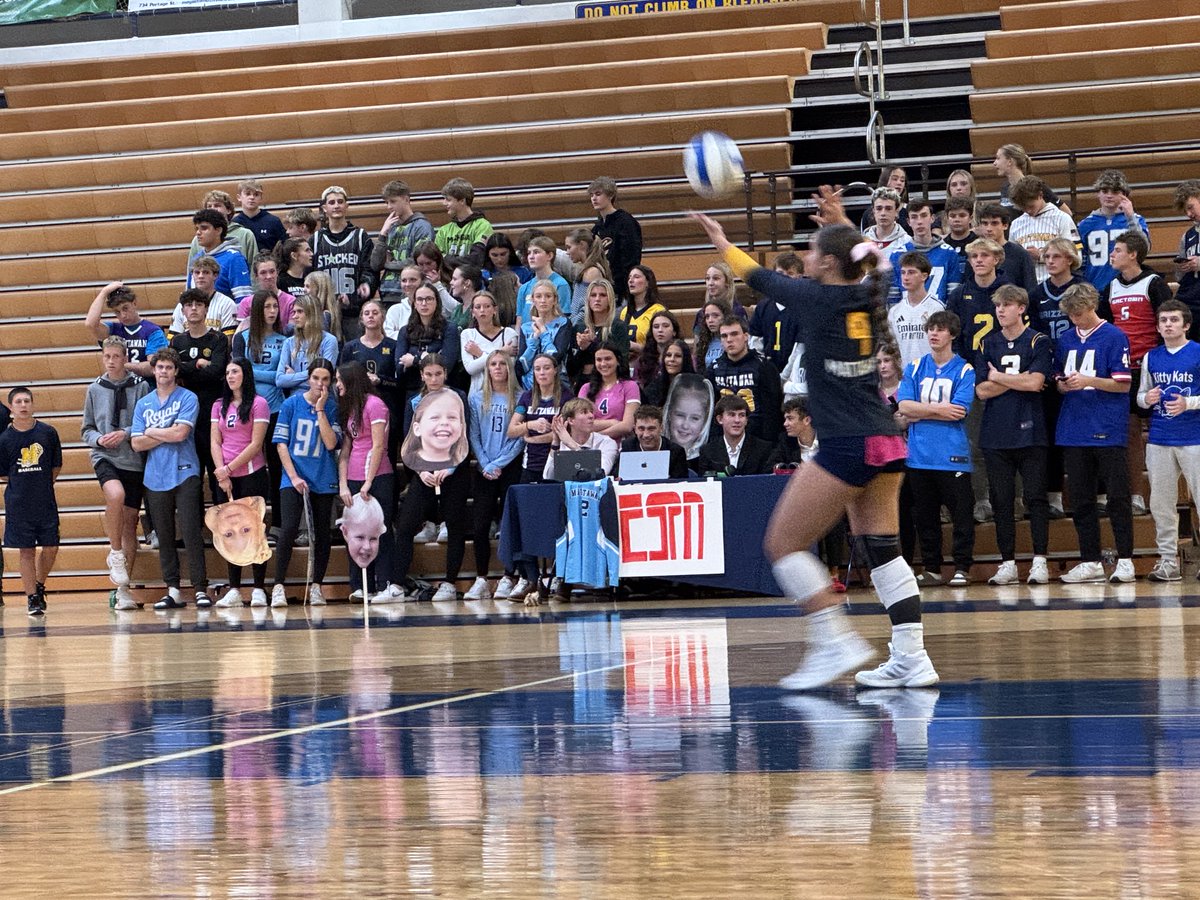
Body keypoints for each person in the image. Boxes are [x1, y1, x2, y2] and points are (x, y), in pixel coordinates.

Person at [693, 190, 938, 691]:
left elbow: (758, 277)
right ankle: (911, 657)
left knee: (782, 543)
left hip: (848, 442)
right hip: (886, 440)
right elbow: (873, 256)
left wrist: (721, 242)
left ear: (827, 263)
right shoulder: (873, 289)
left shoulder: (818, 296)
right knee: (883, 550)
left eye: (810, 252)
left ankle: (833, 639)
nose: (803, 260)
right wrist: (845, 222)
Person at [1054, 282, 1135, 584]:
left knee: (1117, 497)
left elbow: (1123, 383)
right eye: (1070, 314)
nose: (1075, 318)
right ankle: (1090, 560)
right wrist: (1063, 384)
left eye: (1079, 313)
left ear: (1092, 306)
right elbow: (1058, 378)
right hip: (1073, 427)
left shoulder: (1114, 337)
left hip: (1107, 427)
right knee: (1081, 499)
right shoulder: (1064, 340)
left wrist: (1089, 380)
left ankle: (1125, 559)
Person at [975, 286, 1053, 586]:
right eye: (998, 305)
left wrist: (998, 377)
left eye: (1007, 305)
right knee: (1002, 501)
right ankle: (1007, 562)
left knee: (1035, 498)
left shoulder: (1038, 340)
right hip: (995, 434)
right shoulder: (988, 343)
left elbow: (1036, 383)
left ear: (1021, 308)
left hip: (1031, 431)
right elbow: (981, 391)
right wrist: (1014, 380)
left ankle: (1039, 560)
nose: (1000, 310)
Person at [897, 310, 976, 586]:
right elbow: (903, 406)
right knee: (925, 517)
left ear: (952, 334)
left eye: (940, 329)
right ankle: (931, 568)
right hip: (919, 456)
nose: (934, 334)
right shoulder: (915, 367)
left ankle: (962, 567)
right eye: (931, 329)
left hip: (952, 455)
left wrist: (921, 412)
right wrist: (938, 409)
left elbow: (959, 411)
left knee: (961, 515)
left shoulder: (964, 369)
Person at [130, 348, 210, 611]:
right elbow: (136, 443)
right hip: (155, 476)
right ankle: (173, 589)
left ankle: (200, 588)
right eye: (159, 367)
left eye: (168, 367)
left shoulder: (188, 398)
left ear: (176, 371)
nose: (163, 372)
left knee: (191, 532)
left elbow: (182, 434)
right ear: (153, 371)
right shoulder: (144, 403)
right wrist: (166, 431)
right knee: (164, 536)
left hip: (186, 471)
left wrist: (152, 431)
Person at [1102, 228, 1172, 517]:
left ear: (1133, 254)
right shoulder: (1110, 288)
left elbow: (1169, 320)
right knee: (1129, 434)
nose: (1112, 255)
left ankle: (1163, 495)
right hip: (1124, 369)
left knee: (1161, 433)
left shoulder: (1154, 283)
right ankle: (1136, 496)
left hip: (1152, 366)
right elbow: (1105, 329)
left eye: (1117, 250)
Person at [82, 337, 149, 608]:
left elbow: (146, 422)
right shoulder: (94, 389)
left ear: (125, 358)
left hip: (132, 458)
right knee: (115, 495)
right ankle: (115, 551)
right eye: (106, 356)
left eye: (115, 356)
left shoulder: (141, 386)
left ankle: (123, 589)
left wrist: (126, 433)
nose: (111, 361)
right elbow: (86, 428)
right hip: (105, 456)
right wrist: (99, 439)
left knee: (130, 523)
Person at [1138, 300, 1200, 582]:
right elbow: (1141, 395)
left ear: (1186, 325)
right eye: (1163, 320)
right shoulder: (1152, 357)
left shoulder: (1198, 352)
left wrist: (1189, 402)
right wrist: (1147, 399)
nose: (1168, 324)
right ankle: (1167, 562)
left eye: (1174, 320)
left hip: (1194, 437)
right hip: (1160, 437)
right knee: (1161, 503)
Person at [271, 357, 341, 608]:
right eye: (315, 378)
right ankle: (278, 586)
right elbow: (281, 444)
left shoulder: (332, 407)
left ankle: (316, 587)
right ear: (308, 379)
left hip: (323, 477)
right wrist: (293, 476)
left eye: (325, 379)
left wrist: (321, 409)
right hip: (293, 476)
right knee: (288, 528)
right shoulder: (290, 405)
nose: (320, 384)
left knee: (322, 533)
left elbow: (331, 443)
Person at [393, 387, 472, 603]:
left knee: (455, 526)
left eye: (438, 374)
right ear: (422, 375)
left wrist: (450, 468)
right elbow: (409, 441)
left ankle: (449, 583)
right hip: (424, 473)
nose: (434, 379)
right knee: (406, 524)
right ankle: (397, 585)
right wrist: (420, 471)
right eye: (429, 374)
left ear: (444, 374)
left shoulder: (458, 398)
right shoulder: (414, 401)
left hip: (453, 473)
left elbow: (463, 435)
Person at [210, 357, 271, 608]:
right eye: (227, 373)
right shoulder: (218, 406)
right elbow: (215, 441)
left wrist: (229, 468)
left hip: (251, 474)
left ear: (245, 374)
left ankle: (258, 588)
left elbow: (256, 444)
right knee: (229, 531)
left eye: (235, 371)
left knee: (254, 529)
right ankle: (234, 588)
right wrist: (221, 472)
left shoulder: (259, 404)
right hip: (225, 477)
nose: (230, 376)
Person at [337, 361, 399, 604]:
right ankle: (360, 585)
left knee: (378, 531)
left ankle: (386, 584)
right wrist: (343, 484)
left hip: (378, 476)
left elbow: (378, 445)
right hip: (353, 477)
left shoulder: (376, 405)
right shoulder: (348, 407)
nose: (337, 385)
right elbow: (345, 451)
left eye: (340, 379)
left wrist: (368, 482)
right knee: (355, 533)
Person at [466, 351, 526, 600]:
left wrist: (499, 462)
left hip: (509, 466)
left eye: (503, 363)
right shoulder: (476, 398)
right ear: (487, 369)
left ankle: (509, 575)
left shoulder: (521, 396)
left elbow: (521, 437)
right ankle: (481, 578)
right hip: (484, 467)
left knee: (510, 524)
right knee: (480, 525)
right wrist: (485, 463)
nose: (498, 368)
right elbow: (474, 435)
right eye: (493, 364)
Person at [775, 397, 848, 591]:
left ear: (806, 420)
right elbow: (773, 466)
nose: (786, 424)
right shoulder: (785, 442)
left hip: (831, 497)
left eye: (790, 418)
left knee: (834, 517)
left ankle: (834, 573)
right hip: (798, 500)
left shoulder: (829, 440)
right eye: (785, 419)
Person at [0, 387, 61, 617]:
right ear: (12, 407)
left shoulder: (48, 432)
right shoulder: (5, 439)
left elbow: (55, 466)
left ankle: (38, 583)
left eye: (27, 400)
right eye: (18, 401)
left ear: (33, 404)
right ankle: (32, 598)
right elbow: (4, 473)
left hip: (45, 501)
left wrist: (40, 484)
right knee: (26, 551)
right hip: (18, 504)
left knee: (51, 547)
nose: (23, 405)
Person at [233, 289, 289, 528]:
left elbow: (281, 378)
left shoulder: (284, 340)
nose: (272, 311)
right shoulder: (243, 338)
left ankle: (278, 521)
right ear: (257, 309)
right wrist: (272, 376)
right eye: (267, 307)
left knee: (277, 466)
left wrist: (256, 374)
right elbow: (238, 372)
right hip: (248, 409)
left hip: (275, 408)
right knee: (249, 467)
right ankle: (247, 521)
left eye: (275, 307)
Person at [171, 288, 231, 498]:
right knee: (191, 476)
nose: (194, 309)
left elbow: (216, 372)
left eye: (198, 304)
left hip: (213, 412)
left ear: (206, 309)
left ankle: (222, 527)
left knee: (217, 471)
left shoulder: (218, 339)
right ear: (183, 311)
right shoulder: (177, 342)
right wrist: (198, 364)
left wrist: (188, 368)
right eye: (189, 305)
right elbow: (174, 370)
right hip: (187, 415)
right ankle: (194, 528)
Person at [311, 185, 376, 341]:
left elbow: (370, 270)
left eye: (340, 201)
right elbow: (310, 277)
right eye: (332, 202)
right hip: (325, 312)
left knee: (354, 358)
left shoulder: (360, 236)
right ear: (324, 208)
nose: (336, 205)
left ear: (347, 206)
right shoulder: (315, 240)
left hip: (354, 312)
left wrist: (358, 295)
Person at [706, 315, 783, 443]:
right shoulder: (713, 369)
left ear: (746, 336)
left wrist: (769, 443)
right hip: (723, 439)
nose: (729, 339)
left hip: (759, 438)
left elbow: (772, 411)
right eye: (724, 336)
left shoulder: (764, 366)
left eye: (734, 334)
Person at [1077, 169, 1151, 292]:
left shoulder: (1135, 219)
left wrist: (1130, 217)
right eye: (1105, 191)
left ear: (1124, 194)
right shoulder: (1086, 224)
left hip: (1127, 287)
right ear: (1098, 193)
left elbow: (1145, 249)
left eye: (1115, 191)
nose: (1109, 195)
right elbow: (1080, 259)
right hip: (1095, 288)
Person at [510, 353, 573, 484]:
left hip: (557, 461)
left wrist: (532, 439)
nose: (542, 373)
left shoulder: (567, 397)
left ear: (555, 370)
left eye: (547, 368)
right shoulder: (527, 397)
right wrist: (530, 425)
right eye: (537, 369)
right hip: (531, 463)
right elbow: (511, 431)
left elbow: (565, 433)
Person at [1008, 176, 1083, 284]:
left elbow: (1077, 258)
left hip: (1058, 286)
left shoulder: (1062, 218)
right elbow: (1012, 260)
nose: (1028, 210)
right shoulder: (1016, 224)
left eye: (1031, 206)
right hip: (1028, 288)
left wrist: (1041, 256)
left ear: (1040, 195)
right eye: (1023, 207)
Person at [371, 179, 435, 302]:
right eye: (387, 202)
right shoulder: (391, 227)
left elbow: (416, 261)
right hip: (387, 291)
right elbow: (375, 264)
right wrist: (382, 235)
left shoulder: (422, 226)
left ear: (406, 199)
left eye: (393, 201)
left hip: (410, 292)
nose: (389, 206)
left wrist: (388, 265)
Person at [85, 282, 166, 379]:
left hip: (145, 389)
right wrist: (104, 292)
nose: (123, 315)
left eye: (125, 308)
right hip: (119, 388)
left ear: (134, 303)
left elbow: (153, 367)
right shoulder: (112, 329)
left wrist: (121, 365)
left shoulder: (153, 331)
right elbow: (90, 324)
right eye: (117, 312)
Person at [890, 200, 961, 303]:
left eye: (924, 215)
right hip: (907, 316)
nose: (919, 221)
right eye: (914, 217)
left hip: (940, 317)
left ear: (932, 218)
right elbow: (893, 297)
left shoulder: (949, 253)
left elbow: (953, 295)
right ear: (908, 222)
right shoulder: (897, 255)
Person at [568, 279, 631, 386]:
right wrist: (581, 349)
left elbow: (623, 365)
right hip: (583, 385)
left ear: (610, 299)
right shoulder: (579, 328)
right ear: (587, 299)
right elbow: (571, 369)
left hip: (610, 385)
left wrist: (591, 345)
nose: (597, 299)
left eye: (602, 295)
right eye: (593, 295)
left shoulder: (618, 327)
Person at [887, 252, 945, 368]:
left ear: (924, 276)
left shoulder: (937, 308)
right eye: (903, 273)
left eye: (911, 272)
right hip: (905, 375)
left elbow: (943, 345)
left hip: (930, 372)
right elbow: (892, 348)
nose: (906, 277)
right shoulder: (895, 311)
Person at [747, 251, 803, 372]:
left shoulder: (803, 308)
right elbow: (755, 343)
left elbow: (799, 350)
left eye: (790, 274)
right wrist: (765, 372)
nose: (784, 277)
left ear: (799, 277)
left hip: (793, 375)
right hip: (767, 372)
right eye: (780, 273)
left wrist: (784, 378)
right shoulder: (763, 307)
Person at [589, 176, 642, 299]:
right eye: (591, 195)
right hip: (603, 288)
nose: (594, 198)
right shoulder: (597, 227)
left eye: (598, 194)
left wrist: (624, 285)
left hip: (621, 289)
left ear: (610, 195)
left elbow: (631, 257)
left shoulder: (625, 222)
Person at [697, 394, 776, 476]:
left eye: (742, 415)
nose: (737, 420)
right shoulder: (708, 451)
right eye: (732, 415)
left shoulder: (763, 449)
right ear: (720, 419)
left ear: (746, 420)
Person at [276, 295, 339, 398]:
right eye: (294, 312)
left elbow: (324, 380)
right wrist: (313, 375)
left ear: (311, 313)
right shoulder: (289, 342)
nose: (295, 316)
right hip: (295, 400)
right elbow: (280, 380)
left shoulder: (329, 341)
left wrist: (294, 375)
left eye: (300, 312)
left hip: (322, 399)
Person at [185, 208, 252, 304]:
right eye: (197, 229)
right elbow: (189, 295)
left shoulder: (234, 258)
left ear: (218, 230)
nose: (198, 233)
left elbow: (244, 301)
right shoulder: (196, 259)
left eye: (204, 228)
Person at [579, 341, 640, 442]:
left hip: (620, 447)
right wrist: (612, 422)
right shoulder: (586, 388)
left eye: (608, 359)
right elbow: (581, 424)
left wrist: (596, 437)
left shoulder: (630, 386)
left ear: (618, 360)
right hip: (591, 448)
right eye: (599, 360)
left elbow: (627, 426)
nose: (603, 363)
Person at [516, 279, 572, 390]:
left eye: (548, 296)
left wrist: (543, 331)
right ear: (533, 300)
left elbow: (555, 357)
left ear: (555, 299)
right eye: (538, 296)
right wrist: (533, 343)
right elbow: (520, 366)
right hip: (530, 387)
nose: (543, 300)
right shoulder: (526, 327)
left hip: (557, 385)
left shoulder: (563, 323)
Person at [543, 397, 619, 479]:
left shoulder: (606, 443)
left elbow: (600, 473)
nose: (591, 416)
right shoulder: (561, 445)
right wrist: (555, 443)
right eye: (584, 412)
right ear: (571, 421)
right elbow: (548, 477)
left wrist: (573, 446)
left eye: (591, 412)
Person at [459, 290, 518, 395]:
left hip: (505, 395)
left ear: (494, 310)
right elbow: (471, 369)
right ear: (472, 312)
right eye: (478, 307)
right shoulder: (467, 334)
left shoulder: (509, 333)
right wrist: (501, 351)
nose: (482, 310)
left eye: (487, 306)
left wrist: (480, 354)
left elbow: (510, 366)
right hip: (477, 394)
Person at [975, 203, 1038, 294]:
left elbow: (1031, 290)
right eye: (985, 223)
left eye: (994, 223)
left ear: (1005, 225)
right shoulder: (975, 254)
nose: (989, 228)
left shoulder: (1020, 255)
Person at [170, 256, 239, 339]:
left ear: (215, 275)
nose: (201, 276)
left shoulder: (227, 304)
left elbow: (229, 340)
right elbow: (173, 340)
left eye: (205, 272)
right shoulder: (182, 305)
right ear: (192, 275)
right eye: (197, 272)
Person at [993, 143, 1071, 214]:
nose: (994, 163)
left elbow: (1066, 212)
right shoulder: (1005, 187)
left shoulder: (1034, 186)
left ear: (1010, 161)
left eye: (998, 158)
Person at [619, 404, 689, 480]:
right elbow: (616, 478)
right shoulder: (628, 447)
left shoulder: (676, 452)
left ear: (661, 428)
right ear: (635, 429)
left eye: (651, 429)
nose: (646, 435)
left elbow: (681, 484)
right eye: (641, 429)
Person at [434, 177, 493, 264]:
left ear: (462, 200)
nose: (444, 203)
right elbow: (437, 260)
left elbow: (476, 258)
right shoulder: (443, 231)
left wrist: (448, 259)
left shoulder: (482, 226)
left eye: (448, 199)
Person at [192, 189, 259, 265]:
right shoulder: (198, 239)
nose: (213, 209)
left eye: (217, 205)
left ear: (228, 210)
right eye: (209, 206)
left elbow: (254, 266)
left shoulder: (245, 234)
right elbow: (192, 268)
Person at [515, 236, 572, 324]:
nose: (531, 257)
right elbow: (520, 319)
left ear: (549, 255)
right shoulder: (524, 288)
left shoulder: (560, 284)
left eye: (536, 252)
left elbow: (563, 317)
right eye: (529, 253)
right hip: (528, 336)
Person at [564, 227, 613, 327]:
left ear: (582, 245)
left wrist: (572, 325)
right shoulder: (588, 269)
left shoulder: (592, 272)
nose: (567, 252)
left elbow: (586, 307)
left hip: (584, 327)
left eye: (569, 247)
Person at [663, 373, 713, 464]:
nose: (685, 425)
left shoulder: (709, 459)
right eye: (680, 415)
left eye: (695, 418)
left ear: (705, 420)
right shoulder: (657, 451)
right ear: (669, 412)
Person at [620, 265, 667, 358]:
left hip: (649, 363)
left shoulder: (658, 310)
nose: (631, 280)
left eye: (636, 277)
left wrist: (637, 347)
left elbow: (663, 347)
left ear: (648, 283)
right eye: (629, 277)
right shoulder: (624, 312)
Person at [237, 253, 295, 328]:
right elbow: (242, 334)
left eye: (272, 271)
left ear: (277, 272)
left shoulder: (291, 301)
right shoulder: (246, 303)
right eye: (263, 273)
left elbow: (292, 333)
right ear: (256, 276)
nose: (269, 276)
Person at [1172, 179, 1200, 332]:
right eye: (1185, 211)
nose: (1189, 214)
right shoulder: (1188, 236)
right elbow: (1179, 277)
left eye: (1191, 207)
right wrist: (1183, 267)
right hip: (1193, 299)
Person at [233, 179, 287, 253]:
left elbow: (285, 246)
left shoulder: (273, 221)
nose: (252, 197)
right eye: (248, 194)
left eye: (256, 194)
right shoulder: (234, 224)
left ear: (261, 197)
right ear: (239, 197)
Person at [642, 338, 695, 409]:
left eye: (678, 356)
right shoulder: (655, 386)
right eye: (668, 355)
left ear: (685, 360)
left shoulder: (696, 386)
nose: (672, 359)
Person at [634, 309, 681, 388]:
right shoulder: (643, 360)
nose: (660, 330)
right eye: (656, 327)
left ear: (674, 331)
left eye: (665, 326)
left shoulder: (683, 355)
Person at [861, 187, 912, 255]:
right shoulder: (862, 243)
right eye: (879, 208)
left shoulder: (907, 243)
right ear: (873, 211)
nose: (883, 213)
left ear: (896, 212)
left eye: (888, 209)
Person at [860, 165, 910, 232]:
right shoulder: (868, 213)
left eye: (902, 180)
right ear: (885, 180)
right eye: (895, 179)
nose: (899, 183)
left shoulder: (909, 210)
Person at [693, 298, 733, 375]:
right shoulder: (705, 342)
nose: (710, 320)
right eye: (707, 317)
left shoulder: (733, 340)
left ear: (725, 316)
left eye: (715, 316)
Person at [304, 270, 343, 345]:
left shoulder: (325, 315)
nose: (304, 290)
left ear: (319, 289)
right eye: (304, 285)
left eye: (308, 286)